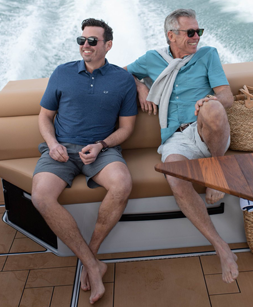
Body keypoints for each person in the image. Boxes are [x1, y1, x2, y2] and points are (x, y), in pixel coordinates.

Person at [124, 9, 239, 284]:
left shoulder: (207, 54)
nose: (196, 37)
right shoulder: (152, 59)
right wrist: (139, 85)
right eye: (190, 33)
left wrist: (210, 100)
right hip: (176, 137)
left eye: (199, 31)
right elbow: (122, 73)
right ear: (171, 35)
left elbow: (228, 96)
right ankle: (221, 247)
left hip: (206, 132)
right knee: (173, 175)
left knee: (213, 110)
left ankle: (216, 171)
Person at [31, 18, 137, 304]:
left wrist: (101, 144)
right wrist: (53, 145)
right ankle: (92, 264)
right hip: (61, 150)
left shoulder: (122, 79)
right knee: (40, 196)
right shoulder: (62, 73)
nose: (85, 46)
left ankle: (91, 253)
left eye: (92, 41)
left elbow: (126, 129)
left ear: (108, 45)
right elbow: (44, 116)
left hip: (100, 150)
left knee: (122, 184)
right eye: (82, 40)